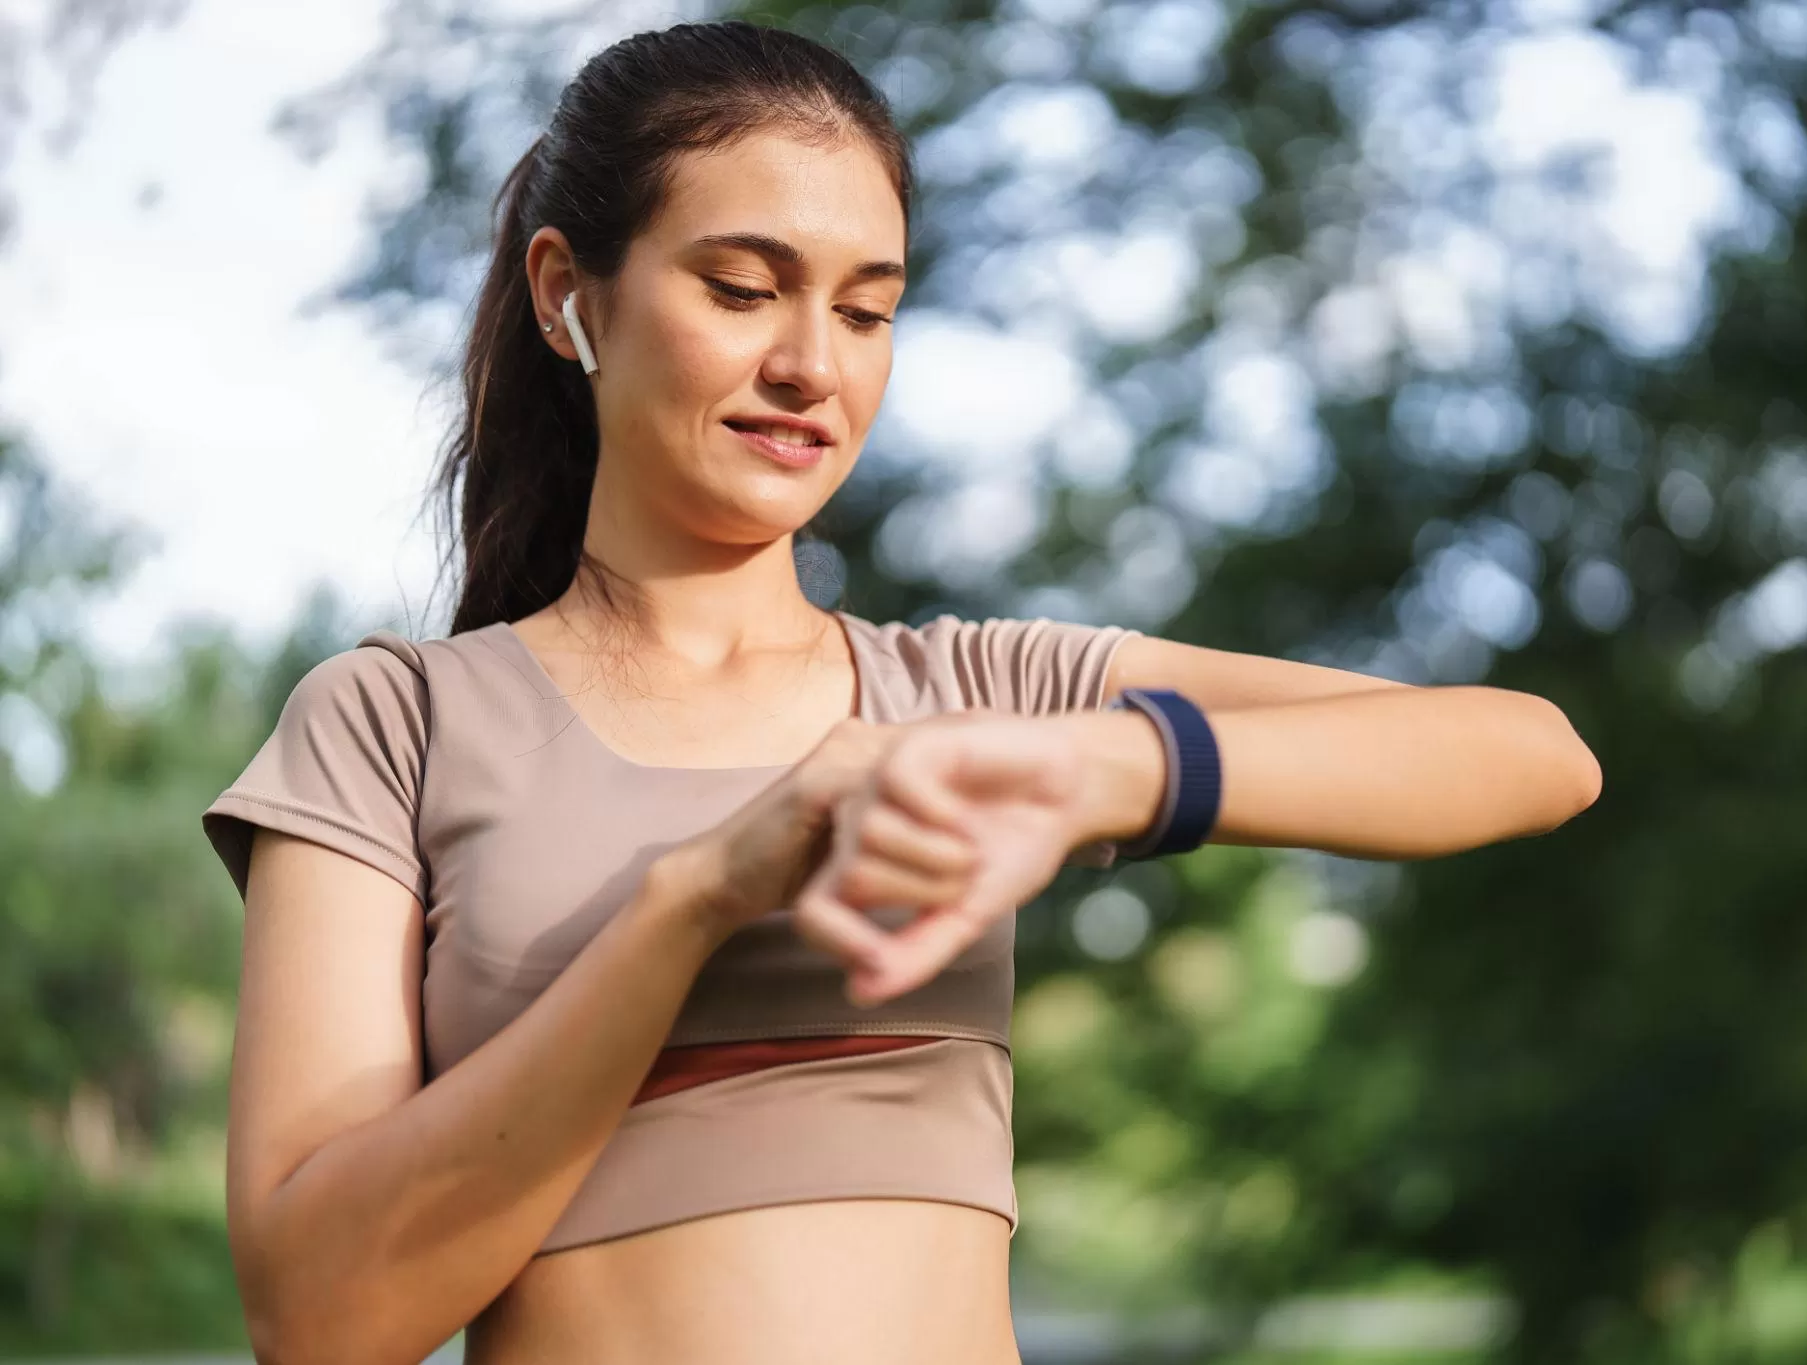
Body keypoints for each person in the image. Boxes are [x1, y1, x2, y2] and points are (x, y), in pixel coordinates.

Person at [199, 19, 1603, 1365]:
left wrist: (1103, 770)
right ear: (571, 292)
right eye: (744, 289)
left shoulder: (974, 692)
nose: (813, 364)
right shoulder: (393, 726)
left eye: (867, 309)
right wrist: (692, 901)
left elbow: (1534, 755)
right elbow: (319, 1323)